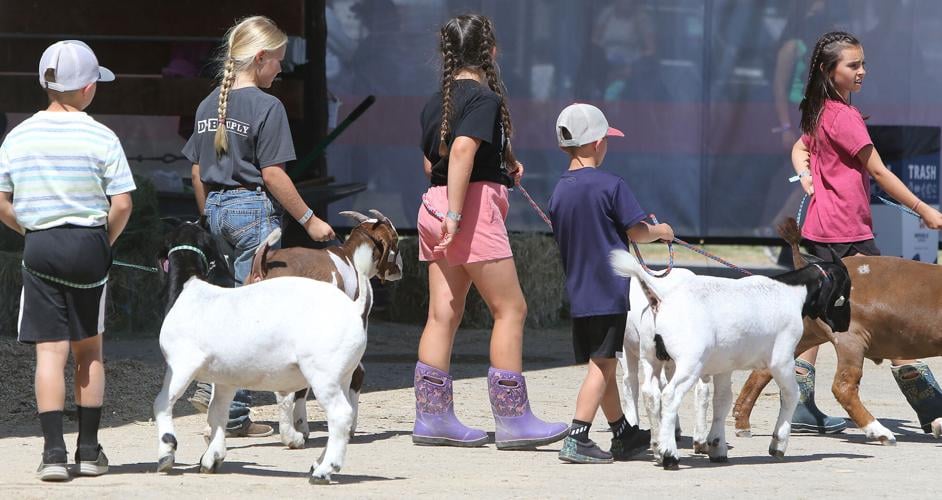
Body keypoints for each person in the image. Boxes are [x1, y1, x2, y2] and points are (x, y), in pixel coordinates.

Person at [413, 13, 568, 449]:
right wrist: (458, 215)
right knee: (511, 309)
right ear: (492, 52)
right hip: (468, 213)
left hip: (433, 205)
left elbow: (434, 164)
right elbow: (462, 150)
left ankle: (432, 417)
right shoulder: (483, 99)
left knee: (442, 313)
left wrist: (497, 166)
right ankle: (513, 420)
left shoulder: (436, 101)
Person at [182, 15, 335, 438]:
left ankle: (209, 383)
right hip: (253, 213)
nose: (281, 70)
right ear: (261, 58)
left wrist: (208, 215)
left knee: (228, 304)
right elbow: (274, 176)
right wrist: (311, 220)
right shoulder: (269, 108)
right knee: (253, 315)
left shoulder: (208, 102)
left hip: (215, 209)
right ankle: (232, 414)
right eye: (278, 61)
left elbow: (197, 171)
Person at [790, 31, 942, 434]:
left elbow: (799, 148)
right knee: (888, 312)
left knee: (819, 320)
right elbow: (878, 170)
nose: (862, 71)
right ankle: (931, 406)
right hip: (845, 235)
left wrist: (805, 174)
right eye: (852, 65)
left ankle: (800, 403)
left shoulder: (820, 109)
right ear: (829, 70)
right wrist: (924, 209)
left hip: (822, 230)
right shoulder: (844, 116)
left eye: (862, 64)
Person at [0, 40, 134, 480]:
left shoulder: (18, 136)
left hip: (40, 246)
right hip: (88, 246)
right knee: (89, 350)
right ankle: (90, 452)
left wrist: (33, 230)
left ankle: (53, 454)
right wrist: (104, 243)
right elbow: (122, 204)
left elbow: (3, 202)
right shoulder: (101, 135)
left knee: (49, 354)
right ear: (89, 87)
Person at [548, 103, 672, 463]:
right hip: (607, 291)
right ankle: (578, 436)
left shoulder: (559, 192)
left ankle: (623, 433)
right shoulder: (611, 185)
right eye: (606, 141)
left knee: (602, 363)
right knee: (602, 367)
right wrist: (662, 231)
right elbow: (637, 230)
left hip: (580, 291)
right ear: (596, 144)